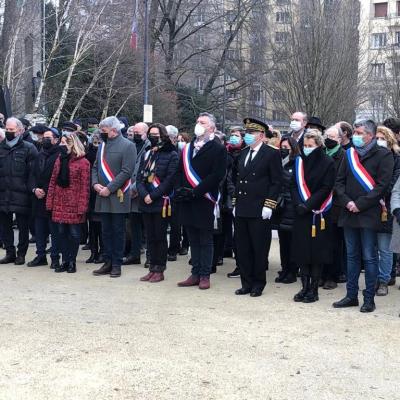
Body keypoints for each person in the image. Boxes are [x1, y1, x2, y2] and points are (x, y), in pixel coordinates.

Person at [334, 120, 394, 313]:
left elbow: (382, 186)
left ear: (370, 135)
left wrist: (360, 204)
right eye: (356, 132)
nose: (356, 136)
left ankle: (369, 298)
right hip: (348, 212)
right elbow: (339, 182)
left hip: (368, 213)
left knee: (369, 257)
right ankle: (351, 295)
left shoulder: (384, 155)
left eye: (359, 133)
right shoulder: (348, 154)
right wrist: (347, 202)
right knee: (351, 256)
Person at [175, 112, 227, 290]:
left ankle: (205, 274)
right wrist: (180, 190)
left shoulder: (218, 148)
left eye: (203, 122)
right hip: (187, 199)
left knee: (205, 239)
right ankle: (195, 272)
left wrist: (196, 192)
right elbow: (180, 171)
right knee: (192, 238)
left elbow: (217, 175)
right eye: (197, 121)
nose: (198, 124)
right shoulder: (188, 147)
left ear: (211, 128)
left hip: (205, 198)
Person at [233, 118, 282, 297]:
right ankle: (245, 283)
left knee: (259, 248)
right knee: (243, 247)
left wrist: (269, 204)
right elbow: (237, 180)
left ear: (261, 135)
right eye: (246, 133)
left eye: (251, 133)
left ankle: (258, 284)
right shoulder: (243, 153)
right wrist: (235, 202)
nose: (248, 136)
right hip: (243, 207)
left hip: (260, 208)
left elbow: (276, 182)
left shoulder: (271, 153)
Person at [291, 129, 335, 303]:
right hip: (300, 212)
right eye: (305, 145)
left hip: (318, 213)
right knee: (302, 251)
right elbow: (293, 185)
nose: (307, 148)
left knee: (316, 253)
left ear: (318, 145)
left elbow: (326, 188)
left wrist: (308, 205)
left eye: (310, 145)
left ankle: (314, 290)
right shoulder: (298, 161)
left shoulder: (327, 162)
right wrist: (297, 205)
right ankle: (304, 287)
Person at [92, 116, 136, 278]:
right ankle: (107, 261)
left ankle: (117, 263)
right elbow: (95, 167)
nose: (101, 134)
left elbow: (127, 171)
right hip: (102, 194)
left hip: (117, 195)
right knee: (106, 231)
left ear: (114, 130)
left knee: (118, 231)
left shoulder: (128, 146)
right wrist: (95, 184)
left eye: (104, 131)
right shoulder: (102, 146)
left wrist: (109, 188)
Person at [136, 123, 178, 282]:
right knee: (150, 236)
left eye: (156, 135)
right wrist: (144, 194)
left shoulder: (172, 154)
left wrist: (153, 195)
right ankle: (152, 266)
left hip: (161, 201)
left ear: (162, 136)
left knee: (160, 237)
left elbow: (169, 179)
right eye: (150, 134)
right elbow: (139, 178)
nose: (153, 137)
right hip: (145, 200)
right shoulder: (147, 153)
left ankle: (160, 269)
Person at [46, 133, 90, 273]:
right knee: (61, 233)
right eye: (62, 142)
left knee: (74, 234)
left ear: (73, 143)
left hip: (74, 202)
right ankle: (65, 260)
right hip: (59, 201)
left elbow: (85, 186)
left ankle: (72, 261)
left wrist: (82, 206)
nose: (62, 144)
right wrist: (50, 202)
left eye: (66, 142)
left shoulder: (84, 162)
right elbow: (53, 181)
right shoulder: (60, 159)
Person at [0, 117, 38, 265]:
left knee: (23, 227)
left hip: (22, 194)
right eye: (7, 129)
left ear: (20, 130)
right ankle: (10, 252)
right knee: (5, 226)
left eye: (12, 130)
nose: (9, 132)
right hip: (3, 193)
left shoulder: (29, 148)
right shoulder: (1, 148)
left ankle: (21, 254)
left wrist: (31, 190)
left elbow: (33, 173)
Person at [28, 127, 62, 269]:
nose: (45, 140)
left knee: (54, 230)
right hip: (38, 198)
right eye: (44, 138)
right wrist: (35, 189)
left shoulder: (60, 155)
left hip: (52, 198)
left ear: (56, 139)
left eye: (48, 138)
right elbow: (32, 175)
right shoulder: (40, 154)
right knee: (39, 230)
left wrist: (46, 191)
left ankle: (55, 258)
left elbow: (59, 177)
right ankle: (40, 255)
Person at [374, 126, 400, 295]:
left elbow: (394, 182)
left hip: (388, 206)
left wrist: (381, 194)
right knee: (372, 247)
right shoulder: (371, 157)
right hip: (370, 206)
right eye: (376, 137)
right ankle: (376, 277)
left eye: (382, 138)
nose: (378, 141)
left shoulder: (397, 159)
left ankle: (384, 279)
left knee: (385, 247)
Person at [320, 125, 346, 290]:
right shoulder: (321, 154)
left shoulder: (343, 155)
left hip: (335, 204)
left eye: (332, 137)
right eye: (326, 136)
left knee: (335, 243)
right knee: (321, 241)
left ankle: (332, 275)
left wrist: (329, 191)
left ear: (339, 139)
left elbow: (342, 180)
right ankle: (322, 273)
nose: (328, 139)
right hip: (320, 204)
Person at [274, 136, 300, 284]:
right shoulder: (278, 162)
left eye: (286, 148)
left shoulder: (297, 162)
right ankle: (284, 269)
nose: (283, 150)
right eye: (281, 147)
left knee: (292, 242)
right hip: (280, 206)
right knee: (282, 242)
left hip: (291, 206)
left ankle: (292, 271)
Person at [123, 122, 150, 266]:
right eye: (134, 132)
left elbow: (148, 171)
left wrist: (135, 188)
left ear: (146, 133)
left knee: (148, 226)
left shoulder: (151, 147)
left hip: (144, 191)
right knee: (134, 226)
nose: (136, 135)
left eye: (139, 132)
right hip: (130, 192)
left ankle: (150, 257)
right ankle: (134, 254)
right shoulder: (129, 145)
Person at [226, 126, 246, 278]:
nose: (233, 137)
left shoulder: (245, 153)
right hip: (228, 195)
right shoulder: (226, 152)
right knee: (234, 234)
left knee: (241, 233)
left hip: (242, 197)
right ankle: (239, 264)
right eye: (232, 135)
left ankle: (243, 265)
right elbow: (228, 176)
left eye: (237, 135)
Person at [85, 131, 104, 264]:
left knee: (101, 225)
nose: (96, 145)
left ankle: (102, 252)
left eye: (99, 142)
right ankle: (93, 251)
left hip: (101, 189)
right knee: (92, 225)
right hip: (90, 190)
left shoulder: (105, 152)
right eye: (95, 142)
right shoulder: (87, 153)